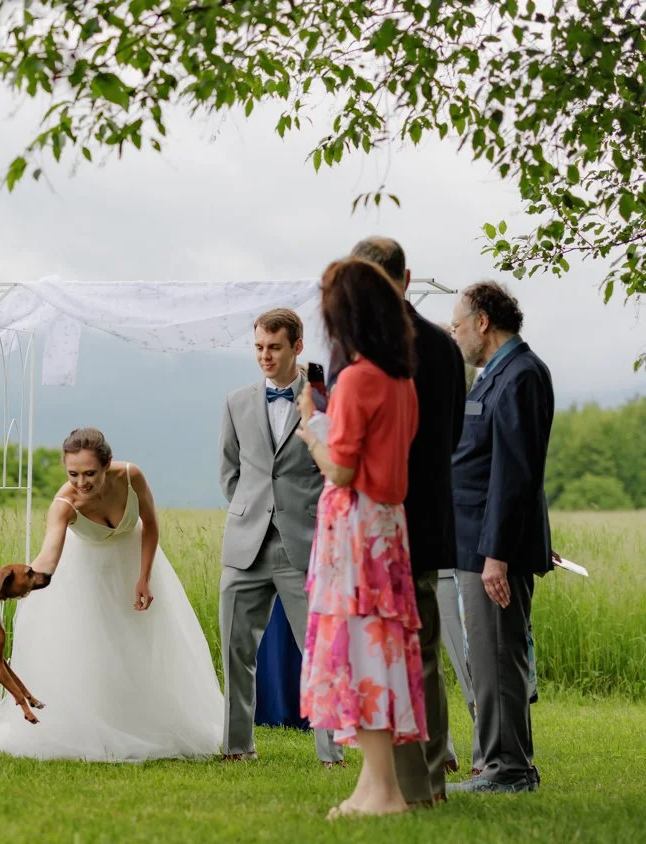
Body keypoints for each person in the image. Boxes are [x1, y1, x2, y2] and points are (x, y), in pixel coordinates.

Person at [0, 429, 223, 761]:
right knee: (100, 651)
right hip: (88, 578)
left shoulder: (131, 475)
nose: (81, 482)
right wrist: (1, 585)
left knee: (149, 646)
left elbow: (151, 524)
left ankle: (151, 723)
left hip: (139, 567)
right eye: (73, 474)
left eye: (89, 474)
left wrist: (144, 578)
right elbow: (48, 559)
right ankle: (105, 726)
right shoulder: (64, 505)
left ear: (107, 465)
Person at [295, 257, 422, 819]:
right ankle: (375, 786)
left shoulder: (358, 380)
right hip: (388, 527)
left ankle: (384, 791)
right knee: (379, 646)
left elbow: (342, 470)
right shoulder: (402, 381)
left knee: (362, 649)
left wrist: (312, 430)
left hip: (356, 528)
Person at [348, 236, 467, 807]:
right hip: (430, 520)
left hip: (384, 523)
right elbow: (456, 437)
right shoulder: (446, 347)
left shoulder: (375, 353)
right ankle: (431, 785)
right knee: (425, 656)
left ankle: (399, 789)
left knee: (387, 657)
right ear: (408, 276)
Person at [217, 309, 342, 766]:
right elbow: (230, 473)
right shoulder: (235, 401)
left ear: (297, 347)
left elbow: (336, 468)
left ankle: (332, 753)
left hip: (305, 544)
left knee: (320, 652)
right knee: (235, 650)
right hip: (245, 544)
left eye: (274, 347)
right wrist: (252, 511)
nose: (265, 356)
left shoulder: (324, 398)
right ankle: (236, 747)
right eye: (258, 348)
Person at [448, 281, 554, 794]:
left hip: (491, 551)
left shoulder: (521, 375)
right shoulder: (496, 373)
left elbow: (515, 474)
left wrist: (497, 554)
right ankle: (498, 764)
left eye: (457, 324)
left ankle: (509, 770)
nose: (455, 333)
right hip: (477, 542)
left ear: (483, 322)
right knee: (485, 659)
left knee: (496, 658)